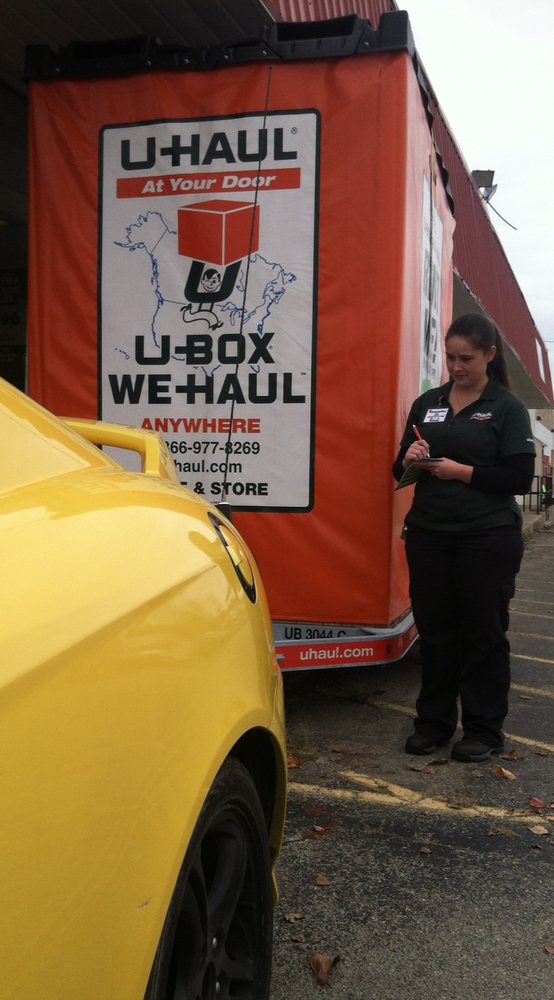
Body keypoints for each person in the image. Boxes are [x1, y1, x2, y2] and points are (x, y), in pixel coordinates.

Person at [393, 313, 535, 763]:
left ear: (489, 355)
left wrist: (463, 472)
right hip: (429, 534)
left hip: (487, 537)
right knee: (436, 633)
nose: (456, 366)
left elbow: (518, 477)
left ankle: (483, 729)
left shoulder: (506, 408)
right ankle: (433, 723)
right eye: (451, 357)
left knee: (483, 634)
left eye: (466, 359)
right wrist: (409, 457)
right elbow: (398, 470)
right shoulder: (428, 403)